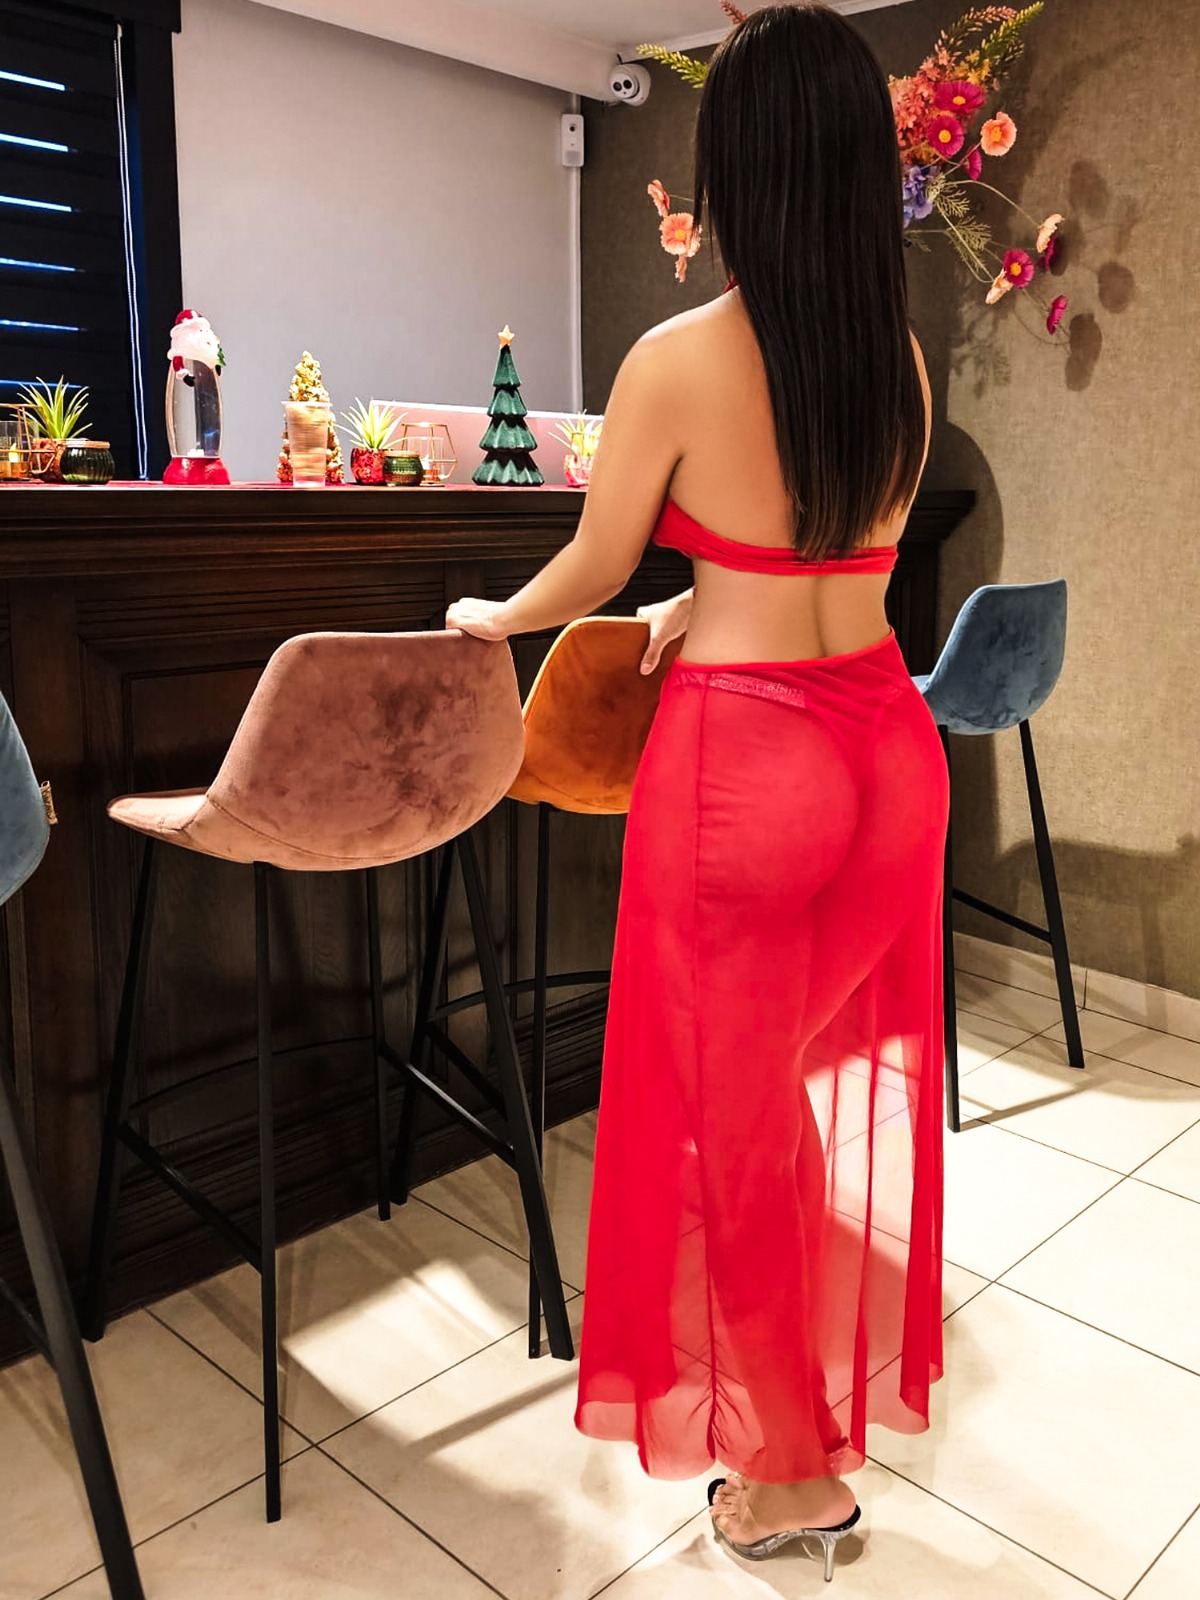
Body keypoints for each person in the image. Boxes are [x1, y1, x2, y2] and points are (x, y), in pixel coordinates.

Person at [446, 1, 948, 1576]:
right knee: (771, 1099)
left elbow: (592, 561)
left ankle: (794, 1477)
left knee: (727, 1130)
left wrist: (495, 617)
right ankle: (796, 1416)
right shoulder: (899, 362)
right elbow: (827, 559)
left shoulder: (675, 360)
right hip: (889, 753)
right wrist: (697, 600)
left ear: (733, 168)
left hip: (749, 772)